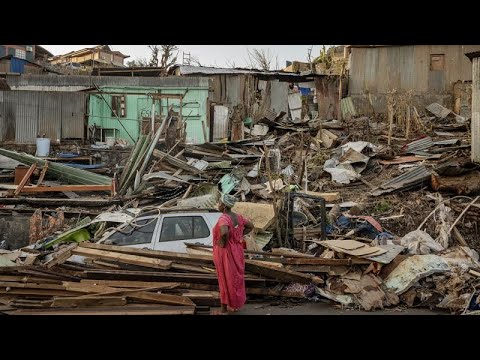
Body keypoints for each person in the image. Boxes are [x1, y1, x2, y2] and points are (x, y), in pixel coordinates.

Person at [212, 193, 254, 315]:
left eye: (220, 203)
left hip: (226, 252)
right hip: (237, 250)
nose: (218, 205)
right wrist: (238, 235)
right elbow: (250, 226)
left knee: (224, 279)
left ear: (224, 206)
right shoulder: (239, 217)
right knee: (235, 278)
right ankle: (234, 304)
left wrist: (222, 241)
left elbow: (224, 231)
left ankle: (224, 310)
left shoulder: (224, 218)